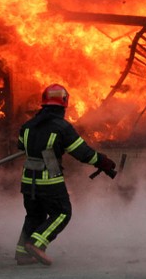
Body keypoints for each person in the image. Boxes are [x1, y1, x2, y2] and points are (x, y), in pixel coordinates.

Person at [14, 83, 117, 266]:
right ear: (63, 104)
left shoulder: (27, 126)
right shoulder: (62, 127)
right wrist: (103, 162)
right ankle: (37, 244)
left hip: (28, 179)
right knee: (62, 212)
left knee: (34, 215)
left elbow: (21, 146)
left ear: (44, 104)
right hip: (49, 178)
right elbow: (82, 153)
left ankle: (22, 253)